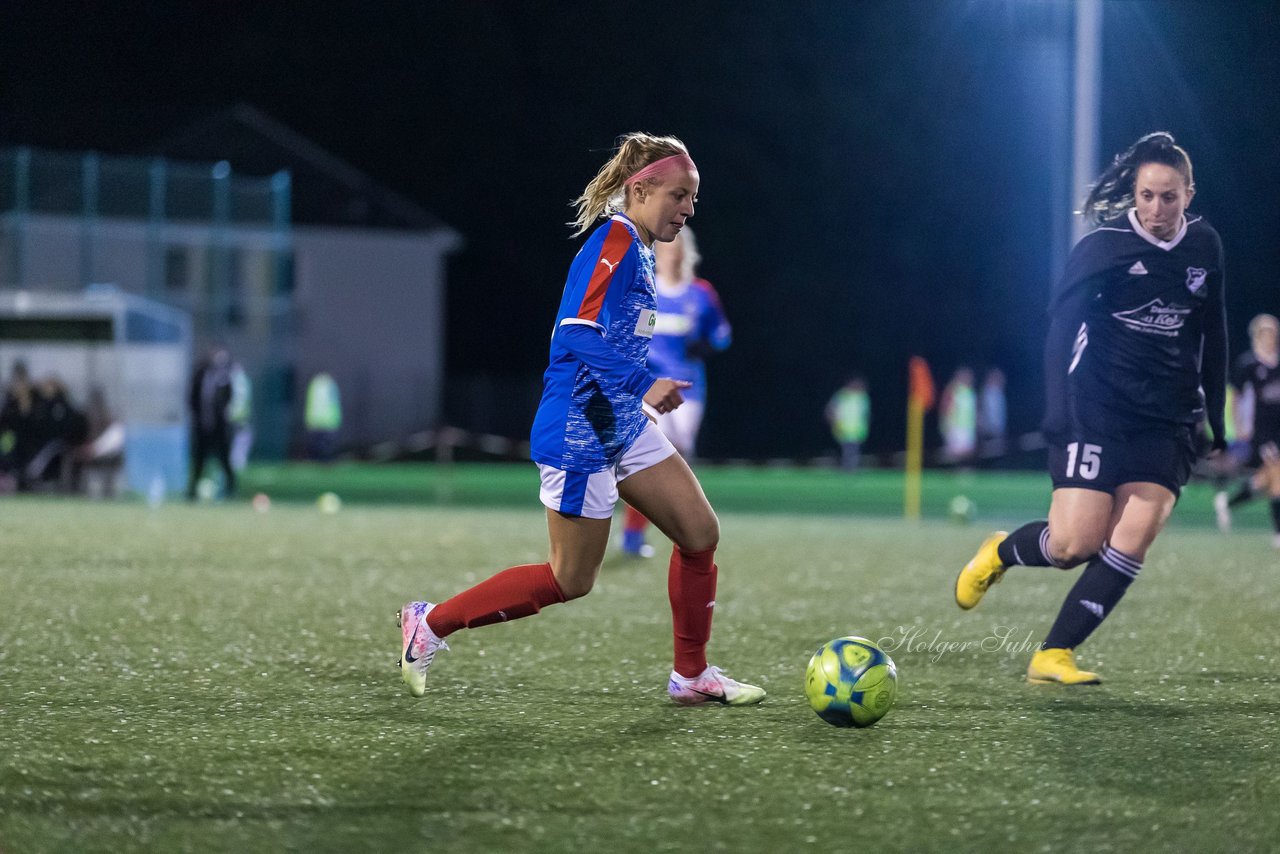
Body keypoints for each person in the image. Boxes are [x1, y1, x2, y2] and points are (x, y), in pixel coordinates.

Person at [397, 132, 765, 707]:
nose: (689, 209)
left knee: (700, 535)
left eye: (693, 198)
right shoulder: (613, 241)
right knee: (571, 580)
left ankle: (691, 676)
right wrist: (647, 384)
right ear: (640, 189)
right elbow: (574, 330)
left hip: (616, 420)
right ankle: (430, 622)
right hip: (579, 429)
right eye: (679, 195)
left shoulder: (640, 246)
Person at [954, 131, 1227, 685]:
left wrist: (1214, 412)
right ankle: (1001, 552)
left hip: (1167, 415)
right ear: (1134, 192)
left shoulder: (1205, 248)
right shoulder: (1104, 247)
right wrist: (1056, 411)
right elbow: (1061, 332)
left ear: (1189, 195)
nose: (1156, 208)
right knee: (1075, 544)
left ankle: (1054, 653)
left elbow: (1213, 331)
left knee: (1136, 531)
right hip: (1096, 406)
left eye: (1169, 196)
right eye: (1147, 195)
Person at [620, 226, 732, 557]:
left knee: (680, 453)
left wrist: (704, 347)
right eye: (668, 248)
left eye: (679, 248)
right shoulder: (646, 289)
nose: (673, 253)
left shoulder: (700, 293)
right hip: (650, 386)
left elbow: (722, 334)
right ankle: (633, 534)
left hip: (688, 387)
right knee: (649, 454)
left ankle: (677, 529)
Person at [1214, 313, 1280, 545]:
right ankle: (1278, 533)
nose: (1270, 337)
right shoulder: (1248, 364)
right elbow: (1235, 398)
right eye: (1265, 333)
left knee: (1264, 481)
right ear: (1257, 335)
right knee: (1277, 474)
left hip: (1277, 429)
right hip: (1259, 430)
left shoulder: (1278, 363)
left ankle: (1228, 503)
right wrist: (1238, 426)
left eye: (1273, 333)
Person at [186, 344, 236, 500]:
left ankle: (230, 488)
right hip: (202, 425)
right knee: (199, 459)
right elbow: (192, 397)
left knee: (224, 458)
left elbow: (228, 396)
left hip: (219, 427)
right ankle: (193, 491)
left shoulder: (224, 376)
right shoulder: (200, 374)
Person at [826, 375, 870, 471]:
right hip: (843, 427)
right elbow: (831, 409)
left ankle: (851, 468)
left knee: (853, 450)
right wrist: (833, 421)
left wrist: (865, 427)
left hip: (857, 429)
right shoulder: (841, 395)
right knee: (848, 450)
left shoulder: (862, 397)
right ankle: (848, 467)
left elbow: (865, 414)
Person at [939, 366, 977, 464]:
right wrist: (947, 425)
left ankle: (963, 473)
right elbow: (945, 408)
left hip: (968, 428)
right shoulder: (952, 389)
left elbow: (971, 410)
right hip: (955, 427)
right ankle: (949, 473)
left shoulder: (970, 392)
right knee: (954, 453)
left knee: (967, 453)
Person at [304, 371, 342, 461]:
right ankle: (323, 460)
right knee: (322, 444)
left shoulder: (316, 385)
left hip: (321, 421)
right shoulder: (329, 385)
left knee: (322, 444)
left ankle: (322, 460)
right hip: (326, 421)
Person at [978, 367, 1008, 457]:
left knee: (997, 451)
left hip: (998, 428)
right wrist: (981, 424)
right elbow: (980, 409)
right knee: (985, 452)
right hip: (986, 428)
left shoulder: (1000, 394)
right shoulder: (984, 393)